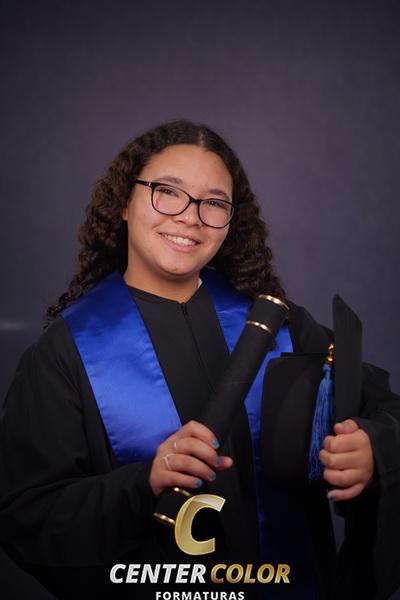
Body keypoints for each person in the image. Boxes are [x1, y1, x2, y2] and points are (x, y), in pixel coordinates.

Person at [0, 120, 399, 600]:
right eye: (167, 192)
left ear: (230, 222)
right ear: (124, 203)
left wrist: (373, 449)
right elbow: (28, 513)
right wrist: (143, 483)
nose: (191, 216)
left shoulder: (280, 325)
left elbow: (386, 411)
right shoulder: (68, 351)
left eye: (214, 202)